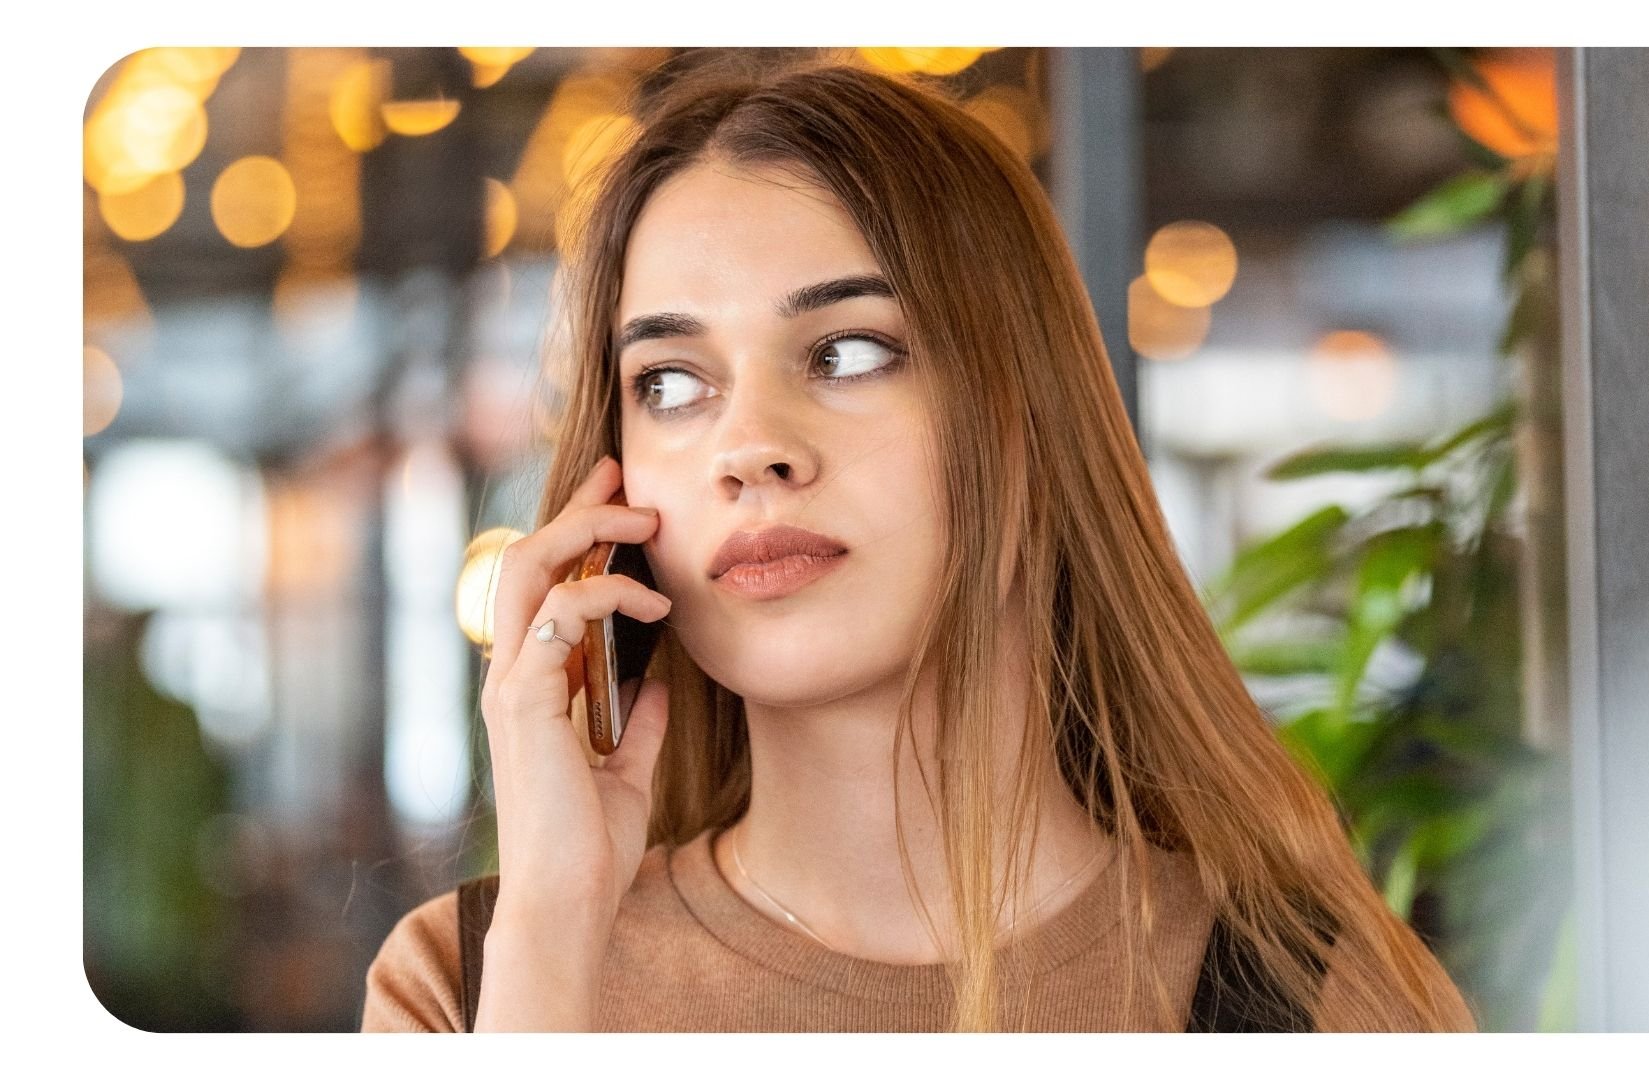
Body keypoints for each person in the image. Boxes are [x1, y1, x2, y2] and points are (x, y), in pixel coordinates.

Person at [360, 52, 1478, 1034]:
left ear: (1024, 422)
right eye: (671, 381)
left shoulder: (1320, 999)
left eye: (847, 354)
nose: (748, 448)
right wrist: (551, 941)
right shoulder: (465, 988)